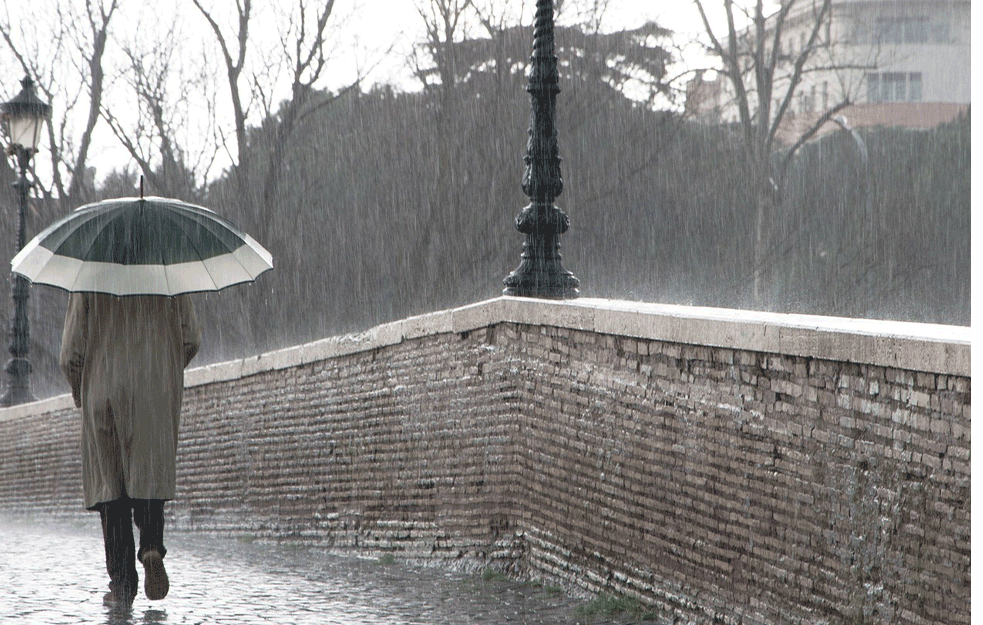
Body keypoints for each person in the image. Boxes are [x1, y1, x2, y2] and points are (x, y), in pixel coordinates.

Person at [60, 292, 201, 606]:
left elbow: (70, 354)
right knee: (148, 472)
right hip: (154, 388)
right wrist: (162, 367)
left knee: (111, 488)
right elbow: (191, 338)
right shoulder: (168, 271)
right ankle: (151, 544)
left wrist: (81, 389)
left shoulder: (89, 276)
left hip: (102, 388)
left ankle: (122, 584)